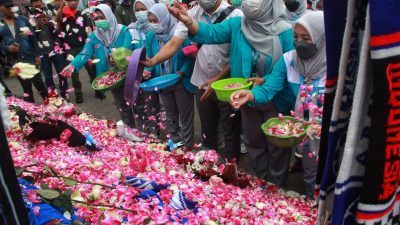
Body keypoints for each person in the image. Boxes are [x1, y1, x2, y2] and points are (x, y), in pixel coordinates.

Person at [166, 0, 294, 185]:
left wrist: (264, 83)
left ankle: (278, 187)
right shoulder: (238, 25)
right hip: (245, 98)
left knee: (277, 148)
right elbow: (210, 33)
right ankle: (260, 185)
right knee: (253, 143)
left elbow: (288, 67)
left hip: (276, 98)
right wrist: (188, 21)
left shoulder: (285, 31)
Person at [230, 11, 325, 198]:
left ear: (321, 38)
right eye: (296, 37)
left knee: (323, 173)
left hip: (327, 130)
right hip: (301, 128)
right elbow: (269, 87)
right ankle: (310, 207)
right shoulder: (289, 60)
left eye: (306, 38)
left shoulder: (337, 64)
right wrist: (249, 95)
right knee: (309, 169)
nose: (299, 43)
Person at [141, 0, 243, 161]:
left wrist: (217, 80)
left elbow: (237, 56)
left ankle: (232, 169)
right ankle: (210, 169)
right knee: (208, 132)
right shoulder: (192, 14)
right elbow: (174, 44)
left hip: (227, 84)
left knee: (230, 132)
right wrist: (153, 61)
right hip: (201, 82)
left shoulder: (236, 15)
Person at [61, 4, 137, 129]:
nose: (99, 21)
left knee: (137, 103)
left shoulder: (123, 31)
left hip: (130, 72)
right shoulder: (93, 36)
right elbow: (84, 53)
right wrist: (72, 66)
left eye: (102, 17)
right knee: (121, 105)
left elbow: (128, 49)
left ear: (110, 16)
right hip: (113, 77)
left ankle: (144, 130)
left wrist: (118, 58)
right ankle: (130, 130)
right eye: (96, 19)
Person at [146, 3, 195, 149]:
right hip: (162, 81)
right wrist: (148, 71)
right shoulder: (150, 36)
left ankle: (187, 145)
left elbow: (190, 55)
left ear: (165, 18)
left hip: (180, 80)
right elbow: (150, 57)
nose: (154, 25)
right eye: (151, 21)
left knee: (185, 115)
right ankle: (175, 141)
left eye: (157, 21)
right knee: (170, 114)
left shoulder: (179, 33)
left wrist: (183, 71)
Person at [0, 1, 48, 103]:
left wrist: (37, 55)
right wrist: (6, 48)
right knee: (26, 88)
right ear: (1, 8)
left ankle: (51, 106)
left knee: (39, 84)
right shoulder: (1, 25)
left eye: (12, 7)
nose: (11, 10)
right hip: (15, 61)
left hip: (29, 57)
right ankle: (32, 114)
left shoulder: (23, 20)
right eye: (7, 7)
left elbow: (32, 38)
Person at [126, 0, 159, 135]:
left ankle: (155, 131)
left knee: (154, 104)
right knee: (139, 104)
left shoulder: (157, 27)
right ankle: (143, 131)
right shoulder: (132, 29)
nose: (140, 13)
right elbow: (126, 50)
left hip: (155, 71)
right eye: (137, 10)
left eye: (143, 9)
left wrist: (150, 69)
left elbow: (159, 52)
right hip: (137, 72)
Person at [56, 0, 98, 103]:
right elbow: (57, 19)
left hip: (85, 46)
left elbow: (88, 28)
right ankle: (78, 94)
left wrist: (91, 43)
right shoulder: (63, 13)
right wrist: (61, 7)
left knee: (91, 69)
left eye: (75, 0)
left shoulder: (82, 13)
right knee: (73, 72)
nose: (73, 2)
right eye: (70, 0)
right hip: (70, 48)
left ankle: (98, 89)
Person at [29, 0, 69, 98]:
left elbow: (58, 33)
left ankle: (64, 93)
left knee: (62, 73)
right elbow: (31, 38)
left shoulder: (50, 14)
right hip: (42, 52)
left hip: (56, 49)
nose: (38, 4)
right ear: (32, 5)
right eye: (35, 2)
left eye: (39, 2)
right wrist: (37, 27)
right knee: (48, 76)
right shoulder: (29, 19)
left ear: (42, 4)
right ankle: (53, 96)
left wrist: (51, 25)